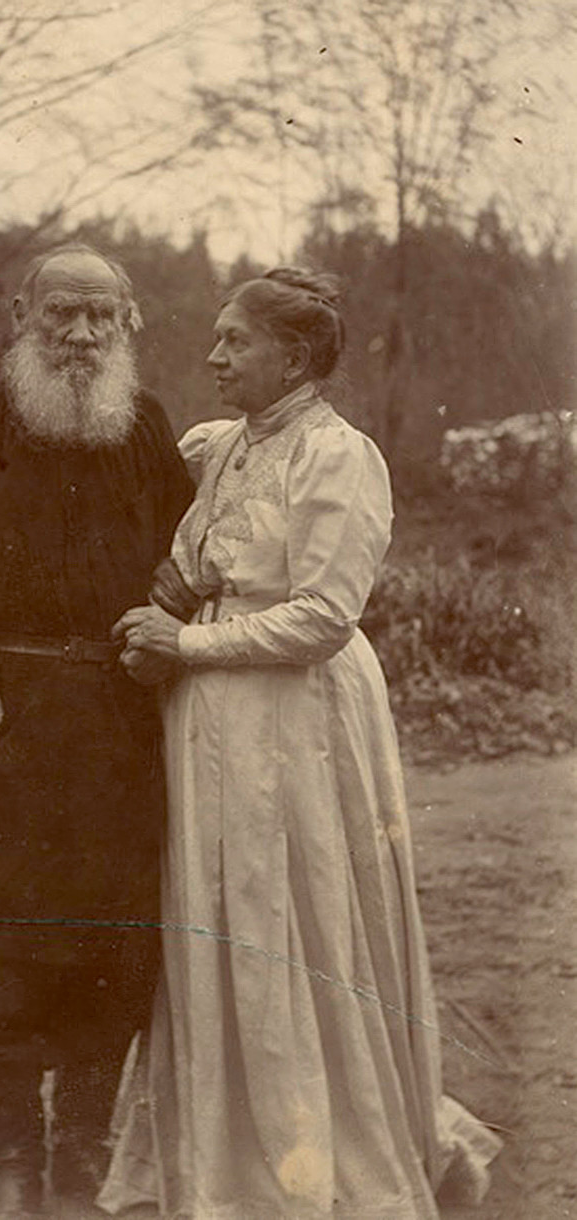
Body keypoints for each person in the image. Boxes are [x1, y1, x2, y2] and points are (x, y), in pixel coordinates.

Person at [101, 269, 502, 1219]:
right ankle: (223, 1149)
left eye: (234, 340)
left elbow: (324, 615)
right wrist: (162, 616)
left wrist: (188, 643)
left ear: (296, 355)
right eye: (216, 337)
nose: (214, 357)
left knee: (300, 910)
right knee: (224, 907)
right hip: (208, 714)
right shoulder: (222, 447)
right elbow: (193, 559)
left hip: (300, 715)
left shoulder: (339, 457)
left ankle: (313, 1152)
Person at [0, 243, 194, 1215]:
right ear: (21, 314)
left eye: (102, 314)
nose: (82, 333)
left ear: (129, 322)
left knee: (114, 944)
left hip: (115, 727)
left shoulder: (144, 428)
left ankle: (81, 1161)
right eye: (62, 312)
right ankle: (12, 1165)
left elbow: (190, 564)